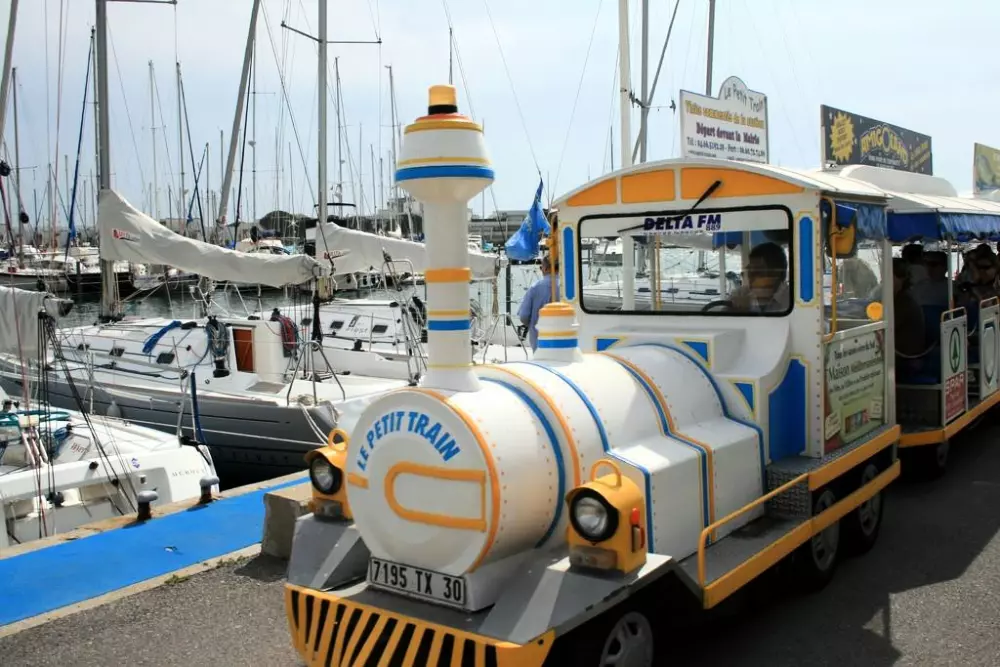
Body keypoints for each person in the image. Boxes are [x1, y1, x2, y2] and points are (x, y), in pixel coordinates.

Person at [730, 242, 789, 313]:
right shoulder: (741, 294)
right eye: (749, 271)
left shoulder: (791, 300)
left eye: (757, 272)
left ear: (775, 274)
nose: (751, 277)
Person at [518, 255, 559, 351]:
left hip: (539, 340)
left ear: (545, 268)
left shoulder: (534, 288)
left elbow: (523, 316)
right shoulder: (567, 288)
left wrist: (534, 323)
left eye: (541, 267)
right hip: (564, 340)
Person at [892, 257, 927, 367]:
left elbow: (889, 324)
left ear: (900, 278)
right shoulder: (899, 297)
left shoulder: (905, 301)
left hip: (906, 356)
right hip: (897, 351)